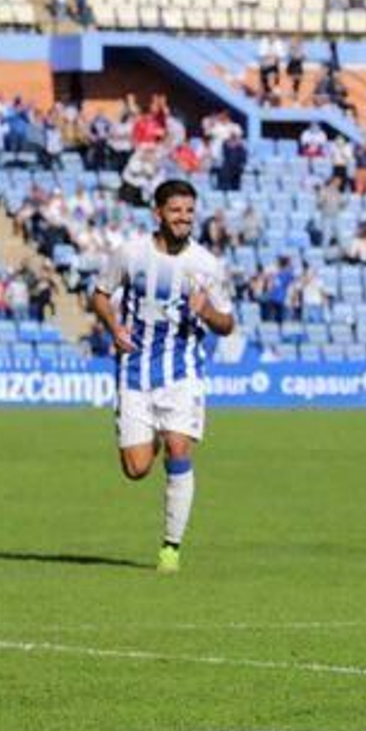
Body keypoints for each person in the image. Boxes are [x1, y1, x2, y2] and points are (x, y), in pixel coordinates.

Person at [89, 180, 234, 574]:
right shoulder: (130, 255)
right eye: (175, 211)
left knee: (179, 448)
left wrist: (206, 312)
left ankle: (171, 547)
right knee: (136, 469)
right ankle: (151, 432)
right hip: (134, 370)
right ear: (158, 213)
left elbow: (227, 323)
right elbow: (100, 294)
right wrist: (113, 326)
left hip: (181, 371)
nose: (183, 218)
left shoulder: (206, 265)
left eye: (189, 211)